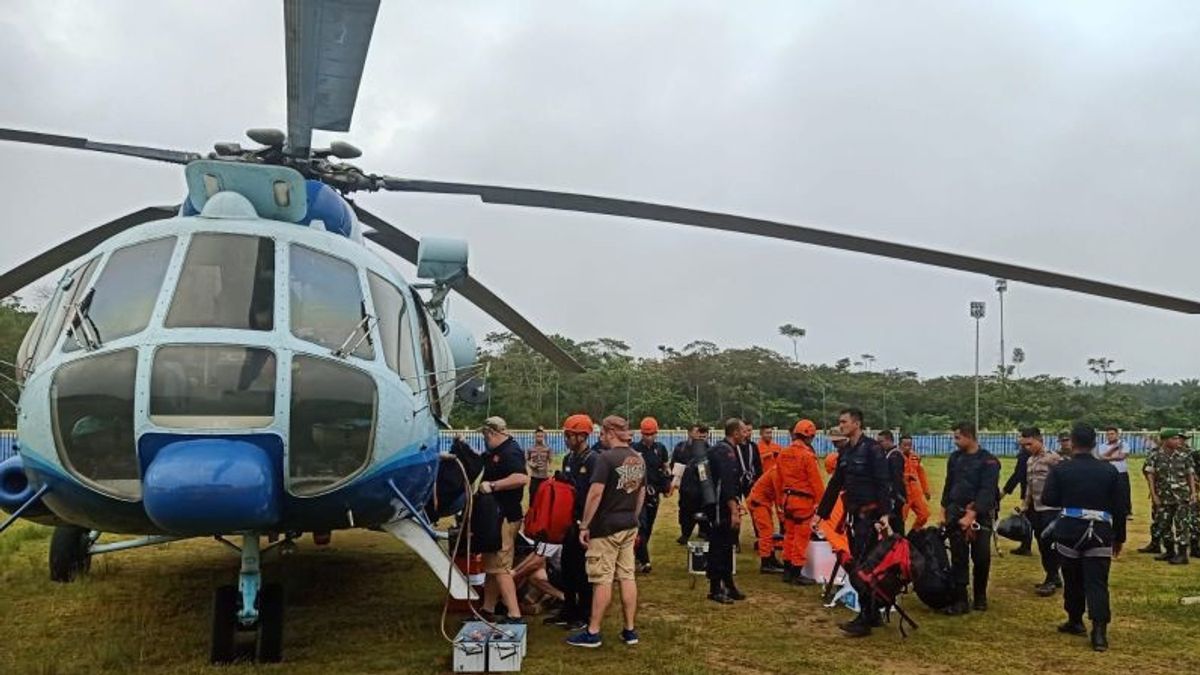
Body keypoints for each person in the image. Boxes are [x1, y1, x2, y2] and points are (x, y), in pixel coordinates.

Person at [1042, 423, 1127, 652]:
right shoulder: (1110, 471)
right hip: (1100, 532)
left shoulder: (1061, 469)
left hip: (1070, 529)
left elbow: (1049, 498)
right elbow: (1121, 507)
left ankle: (1075, 620)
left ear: (1073, 442)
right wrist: (1119, 537)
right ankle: (1099, 633)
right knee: (1097, 582)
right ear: (1093, 443)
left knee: (1072, 578)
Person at [567, 416, 645, 648]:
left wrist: (585, 525)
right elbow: (641, 493)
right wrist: (634, 516)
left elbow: (595, 494)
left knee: (602, 578)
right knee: (627, 576)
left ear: (611, 432)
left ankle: (593, 632)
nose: (600, 436)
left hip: (605, 527)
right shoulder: (637, 458)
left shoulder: (605, 458)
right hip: (629, 523)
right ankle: (629, 629)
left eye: (602, 432)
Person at [814, 408, 893, 636]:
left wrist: (885, 515)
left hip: (870, 518)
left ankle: (865, 619)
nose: (841, 426)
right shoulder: (846, 451)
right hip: (854, 517)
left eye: (844, 422)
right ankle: (873, 613)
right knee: (861, 566)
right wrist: (821, 513)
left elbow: (883, 483)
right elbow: (835, 484)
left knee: (863, 568)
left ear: (857, 424)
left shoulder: (873, 449)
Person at [940, 421, 1000, 615]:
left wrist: (972, 513)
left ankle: (980, 596)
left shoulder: (989, 461)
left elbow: (987, 490)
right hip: (955, 512)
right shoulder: (955, 458)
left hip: (979, 517)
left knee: (981, 557)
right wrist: (943, 511)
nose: (955, 441)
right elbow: (949, 485)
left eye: (957, 437)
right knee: (958, 557)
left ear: (969, 436)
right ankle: (960, 599)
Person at [546, 413, 599, 630]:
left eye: (569, 435)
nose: (566, 438)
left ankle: (584, 613)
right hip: (568, 521)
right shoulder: (569, 459)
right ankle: (568, 609)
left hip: (584, 522)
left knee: (582, 571)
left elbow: (595, 493)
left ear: (581, 436)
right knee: (566, 568)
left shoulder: (593, 459)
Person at [477, 416, 531, 624]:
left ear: (491, 433)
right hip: (495, 516)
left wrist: (493, 485)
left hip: (505, 516)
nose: (484, 440)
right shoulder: (495, 452)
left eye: (485, 436)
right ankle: (488, 609)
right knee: (492, 566)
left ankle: (514, 613)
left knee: (501, 566)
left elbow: (521, 478)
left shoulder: (510, 451)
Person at [777, 419, 825, 585]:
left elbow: (779, 478)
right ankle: (796, 572)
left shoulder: (783, 453)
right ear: (810, 436)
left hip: (787, 500)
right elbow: (816, 482)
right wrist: (822, 504)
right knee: (801, 537)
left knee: (789, 535)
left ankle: (787, 570)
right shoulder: (807, 455)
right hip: (803, 502)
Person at [705, 418, 748, 604]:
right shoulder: (725, 452)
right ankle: (715, 589)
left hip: (723, 505)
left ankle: (729, 585)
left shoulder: (726, 449)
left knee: (727, 546)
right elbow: (726, 485)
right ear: (735, 433)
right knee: (719, 546)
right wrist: (734, 511)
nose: (747, 434)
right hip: (719, 508)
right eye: (744, 431)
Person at [1019, 427, 1063, 597]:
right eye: (1024, 445)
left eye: (1029, 443)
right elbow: (1030, 485)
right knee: (1041, 542)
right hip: (1035, 508)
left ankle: (1051, 579)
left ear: (1039, 440)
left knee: (1050, 544)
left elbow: (1063, 480)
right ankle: (1053, 575)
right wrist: (1025, 504)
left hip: (1051, 509)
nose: (1026, 447)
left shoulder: (1053, 458)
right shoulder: (1030, 461)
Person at [1145, 428, 1197, 565]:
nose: (1177, 441)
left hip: (1182, 496)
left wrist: (1193, 492)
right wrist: (1154, 494)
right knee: (1163, 524)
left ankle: (1182, 554)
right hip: (1163, 496)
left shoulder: (1184, 455)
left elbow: (1190, 474)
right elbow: (1151, 475)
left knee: (1182, 524)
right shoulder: (1155, 455)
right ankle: (1169, 551)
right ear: (1165, 440)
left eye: (1178, 438)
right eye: (1174, 438)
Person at [631, 417, 671, 573]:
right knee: (642, 524)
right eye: (645, 434)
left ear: (656, 434)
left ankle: (637, 553)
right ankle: (644, 559)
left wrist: (668, 482)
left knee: (649, 528)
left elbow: (665, 468)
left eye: (651, 434)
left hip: (654, 492)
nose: (648, 437)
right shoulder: (634, 448)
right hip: (638, 492)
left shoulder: (660, 449)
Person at [671, 424, 711, 544]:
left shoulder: (707, 448)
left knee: (704, 509)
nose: (699, 435)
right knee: (685, 510)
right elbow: (673, 464)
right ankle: (685, 533)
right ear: (689, 433)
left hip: (702, 486)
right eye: (697, 432)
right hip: (686, 486)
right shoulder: (681, 447)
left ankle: (703, 531)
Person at [746, 464, 785, 574]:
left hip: (763, 502)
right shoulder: (777, 473)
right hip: (758, 502)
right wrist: (782, 518)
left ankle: (771, 558)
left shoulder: (778, 470)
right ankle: (766, 562)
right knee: (766, 532)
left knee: (768, 531)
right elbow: (779, 497)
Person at [1002, 441, 1033, 555]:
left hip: (1028, 491)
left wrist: (1005, 491)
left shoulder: (1024, 455)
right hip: (1037, 491)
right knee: (1031, 518)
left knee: (1028, 519)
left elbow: (1018, 475)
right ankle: (1026, 545)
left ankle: (1026, 546)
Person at [1097, 426, 1132, 520]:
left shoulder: (1124, 444)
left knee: (1124, 493)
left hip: (1121, 472)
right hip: (1108, 472)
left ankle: (1126, 512)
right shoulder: (1102, 446)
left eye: (1112, 434)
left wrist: (1106, 458)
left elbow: (1122, 456)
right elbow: (1100, 458)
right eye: (1108, 434)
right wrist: (1113, 449)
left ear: (1117, 434)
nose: (1110, 436)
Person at [877, 430, 907, 535]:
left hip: (895, 495)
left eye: (881, 442)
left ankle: (900, 547)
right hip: (893, 494)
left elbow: (896, 478)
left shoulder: (895, 456)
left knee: (896, 524)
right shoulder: (889, 454)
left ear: (889, 440)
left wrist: (894, 496)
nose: (879, 445)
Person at [899, 434, 932, 531]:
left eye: (909, 445)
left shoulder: (916, 457)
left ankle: (913, 535)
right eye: (905, 445)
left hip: (916, 493)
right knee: (901, 519)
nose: (907, 447)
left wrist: (926, 490)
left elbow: (921, 474)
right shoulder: (896, 457)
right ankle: (899, 541)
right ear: (899, 445)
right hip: (903, 494)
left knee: (924, 515)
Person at [1138, 436, 1163, 554]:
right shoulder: (1154, 454)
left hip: (1181, 493)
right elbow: (1147, 471)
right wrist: (1153, 490)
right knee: (1157, 518)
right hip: (1160, 491)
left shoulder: (1186, 454)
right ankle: (1155, 544)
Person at [735, 420, 763, 497]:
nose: (749, 433)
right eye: (746, 430)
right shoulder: (734, 446)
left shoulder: (753, 446)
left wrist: (757, 480)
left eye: (750, 430)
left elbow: (758, 465)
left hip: (751, 482)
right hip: (737, 482)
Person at [526, 426, 552, 503]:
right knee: (533, 499)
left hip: (544, 478)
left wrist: (549, 473)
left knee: (544, 500)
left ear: (544, 437)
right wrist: (531, 465)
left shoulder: (548, 449)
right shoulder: (530, 448)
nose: (539, 438)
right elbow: (527, 460)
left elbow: (550, 462)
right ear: (535, 436)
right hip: (534, 477)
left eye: (541, 436)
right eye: (538, 436)